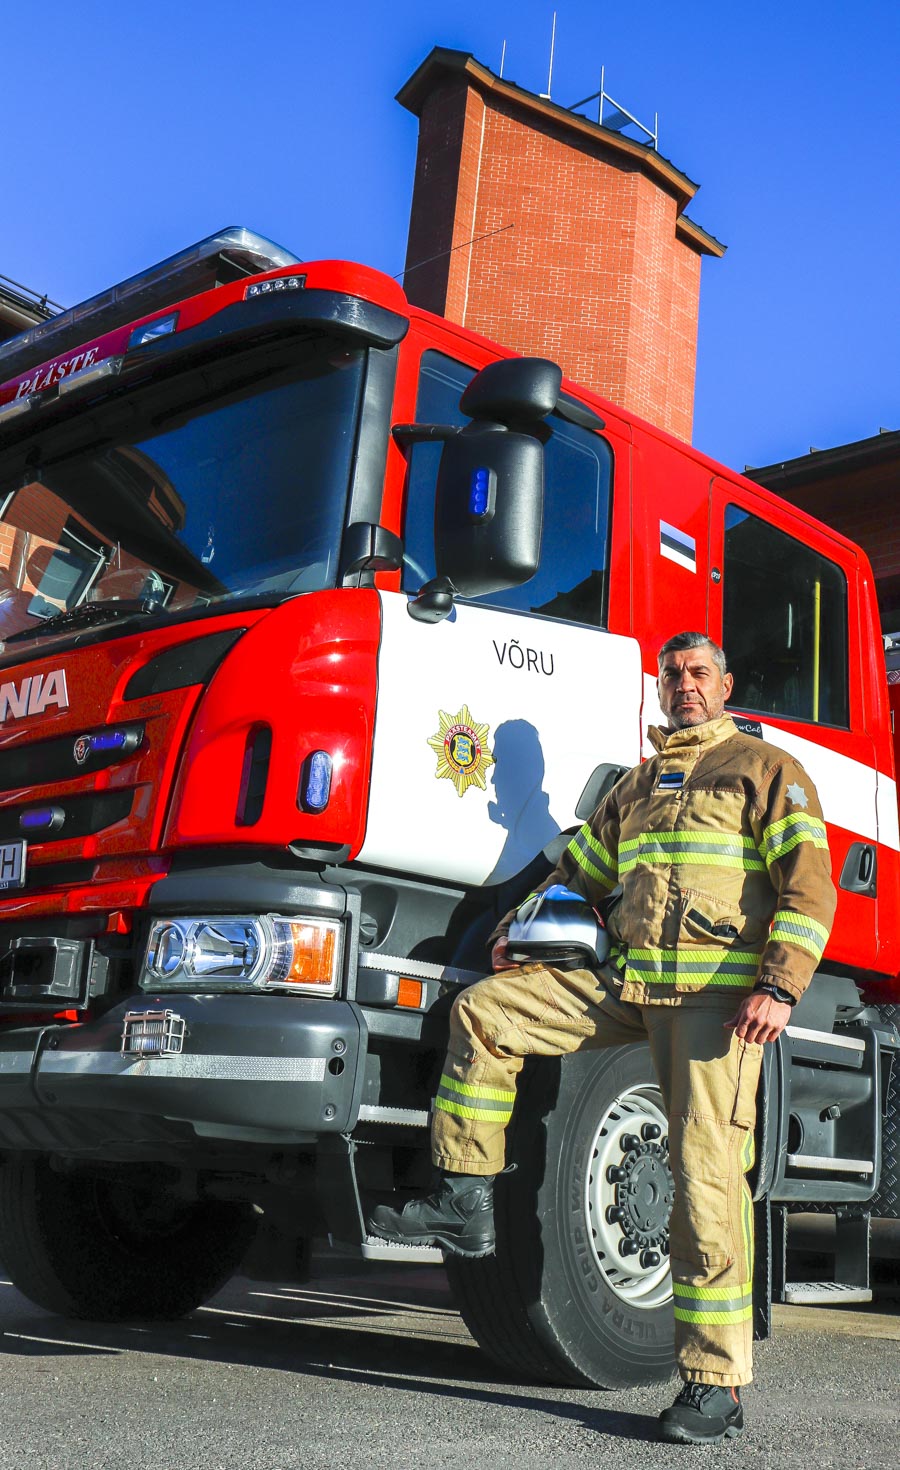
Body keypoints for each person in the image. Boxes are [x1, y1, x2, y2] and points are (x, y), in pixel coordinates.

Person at [369, 630, 837, 1445]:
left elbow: (808, 889)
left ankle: (714, 1384)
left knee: (704, 1183)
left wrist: (777, 986)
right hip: (628, 986)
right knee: (488, 1012)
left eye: (698, 673)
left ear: (726, 684)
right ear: (658, 689)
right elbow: (578, 870)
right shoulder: (637, 784)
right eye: (671, 674)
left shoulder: (767, 773)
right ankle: (466, 1199)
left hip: (717, 1003)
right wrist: (517, 925)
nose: (683, 684)